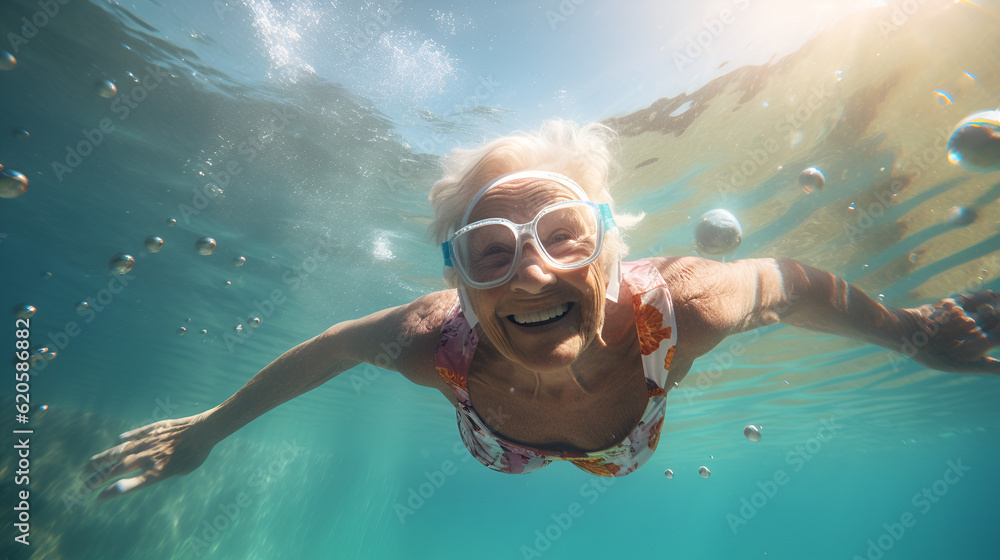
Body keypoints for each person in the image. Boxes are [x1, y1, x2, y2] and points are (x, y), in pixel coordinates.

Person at [87, 120, 1000, 495]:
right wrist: (206, 432)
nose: (529, 274)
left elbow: (790, 282)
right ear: (458, 282)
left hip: (619, 434)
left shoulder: (681, 307)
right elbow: (330, 346)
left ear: (613, 252)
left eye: (564, 236)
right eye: (491, 250)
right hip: (503, 441)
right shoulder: (431, 343)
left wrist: (912, 333)